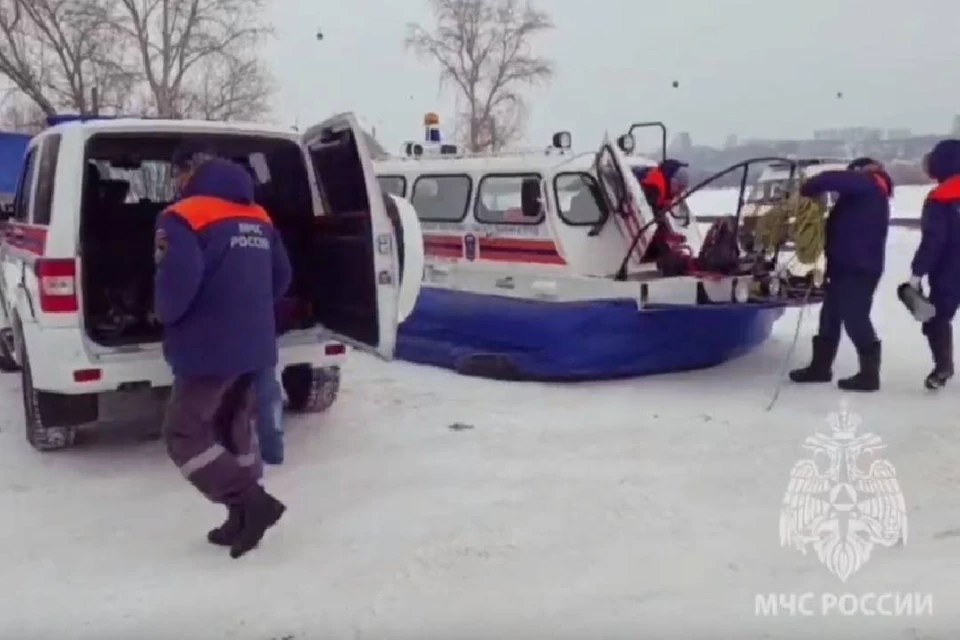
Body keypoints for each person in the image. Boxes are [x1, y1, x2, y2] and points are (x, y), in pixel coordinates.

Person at [156, 143, 292, 558]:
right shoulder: (259, 216)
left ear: (187, 174)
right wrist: (248, 308)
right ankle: (241, 514)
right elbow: (282, 277)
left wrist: (162, 313)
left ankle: (252, 504)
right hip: (255, 342)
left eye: (176, 174)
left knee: (184, 433)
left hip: (207, 346)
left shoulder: (181, 216)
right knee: (236, 427)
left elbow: (177, 284)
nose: (176, 183)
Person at [789, 157, 893, 392]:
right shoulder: (864, 195)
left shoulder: (869, 185)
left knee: (855, 317)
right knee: (830, 316)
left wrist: (808, 186)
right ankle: (820, 368)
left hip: (858, 268)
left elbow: (831, 179)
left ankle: (869, 375)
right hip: (844, 266)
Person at [908, 139, 960, 390]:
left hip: (949, 271)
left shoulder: (941, 197)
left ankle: (942, 368)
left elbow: (934, 240)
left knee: (936, 319)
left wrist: (918, 272)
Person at [632, 159, 691, 264]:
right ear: (672, 181)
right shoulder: (654, 185)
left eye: (683, 189)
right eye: (680, 187)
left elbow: (660, 215)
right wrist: (666, 241)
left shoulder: (666, 188)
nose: (680, 192)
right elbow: (650, 218)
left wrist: (670, 234)